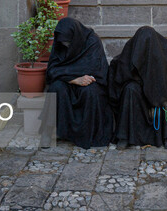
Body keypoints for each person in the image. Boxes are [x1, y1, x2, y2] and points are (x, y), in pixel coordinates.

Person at [39, 17, 114, 149]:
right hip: (68, 81)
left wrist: (79, 78)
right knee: (56, 88)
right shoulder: (60, 44)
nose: (66, 45)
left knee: (89, 91)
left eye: (68, 42)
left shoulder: (92, 41)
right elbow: (52, 71)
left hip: (91, 81)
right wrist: (74, 79)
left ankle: (86, 135)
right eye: (63, 43)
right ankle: (48, 132)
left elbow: (95, 68)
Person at [108, 26, 167, 148]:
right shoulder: (132, 47)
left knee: (166, 91)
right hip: (137, 81)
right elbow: (123, 73)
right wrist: (141, 80)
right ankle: (125, 136)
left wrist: (154, 82)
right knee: (129, 89)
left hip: (159, 81)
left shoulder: (165, 47)